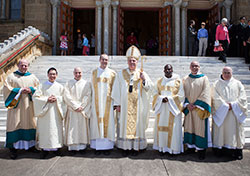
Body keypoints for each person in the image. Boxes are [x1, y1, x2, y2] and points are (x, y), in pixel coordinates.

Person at [111, 45, 153, 156]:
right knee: (123, 124)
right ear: (127, 61)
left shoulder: (142, 73)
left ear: (137, 62)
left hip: (138, 106)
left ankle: (136, 147)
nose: (132, 63)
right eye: (130, 61)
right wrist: (117, 104)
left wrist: (144, 80)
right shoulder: (120, 74)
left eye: (134, 61)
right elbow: (116, 89)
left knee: (137, 125)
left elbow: (149, 88)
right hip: (124, 106)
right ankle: (125, 147)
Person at [3, 59, 40, 159]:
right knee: (15, 124)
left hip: (28, 106)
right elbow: (7, 89)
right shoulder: (11, 77)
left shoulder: (32, 77)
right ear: (18, 65)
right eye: (22, 65)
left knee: (29, 123)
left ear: (28, 66)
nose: (24, 67)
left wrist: (31, 90)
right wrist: (19, 90)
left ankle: (31, 145)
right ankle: (13, 148)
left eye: (26, 66)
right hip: (16, 107)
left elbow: (38, 88)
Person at [212, 67, 248, 160]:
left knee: (235, 131)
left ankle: (237, 151)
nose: (227, 74)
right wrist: (225, 106)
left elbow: (243, 97)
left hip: (234, 112)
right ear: (222, 73)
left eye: (228, 72)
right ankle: (219, 150)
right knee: (221, 132)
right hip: (222, 113)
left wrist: (233, 105)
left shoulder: (237, 83)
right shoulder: (216, 84)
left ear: (232, 73)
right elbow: (215, 97)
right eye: (225, 72)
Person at [33, 67, 65, 159]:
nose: (52, 76)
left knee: (55, 130)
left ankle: (57, 148)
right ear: (47, 75)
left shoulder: (60, 87)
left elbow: (64, 98)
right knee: (45, 130)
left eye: (54, 74)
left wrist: (57, 99)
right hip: (45, 114)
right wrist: (47, 99)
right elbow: (35, 98)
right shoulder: (42, 86)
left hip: (56, 112)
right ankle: (44, 149)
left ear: (56, 75)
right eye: (50, 74)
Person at [152, 64, 184, 155]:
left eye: (169, 69)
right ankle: (162, 149)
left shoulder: (178, 81)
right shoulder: (159, 81)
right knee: (161, 129)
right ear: (163, 70)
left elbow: (181, 95)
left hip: (173, 110)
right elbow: (154, 93)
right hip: (162, 109)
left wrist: (169, 99)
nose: (168, 71)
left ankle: (173, 150)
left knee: (173, 130)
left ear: (172, 70)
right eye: (166, 69)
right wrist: (161, 99)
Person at [183, 61, 212, 160]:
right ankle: (190, 148)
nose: (195, 68)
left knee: (200, 129)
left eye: (196, 66)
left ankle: (201, 150)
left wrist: (196, 105)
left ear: (199, 67)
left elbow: (206, 93)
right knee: (190, 127)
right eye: (193, 66)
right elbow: (183, 93)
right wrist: (187, 104)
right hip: (189, 109)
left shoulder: (204, 78)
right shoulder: (186, 79)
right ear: (190, 67)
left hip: (199, 109)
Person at [90, 54, 116, 155]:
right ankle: (97, 147)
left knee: (108, 123)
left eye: (106, 60)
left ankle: (107, 147)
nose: (104, 61)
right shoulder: (94, 72)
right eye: (103, 59)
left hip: (108, 103)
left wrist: (115, 103)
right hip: (96, 102)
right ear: (99, 60)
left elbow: (115, 88)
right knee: (97, 123)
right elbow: (91, 87)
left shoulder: (112, 73)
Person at [64, 67, 92, 155]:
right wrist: (75, 106)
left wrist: (81, 106)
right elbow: (67, 96)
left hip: (82, 110)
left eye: (79, 72)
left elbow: (88, 95)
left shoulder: (86, 84)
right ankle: (72, 147)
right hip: (72, 110)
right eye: (76, 73)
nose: (78, 74)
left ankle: (82, 147)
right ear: (73, 73)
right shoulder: (68, 83)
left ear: (82, 73)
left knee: (81, 128)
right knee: (72, 129)